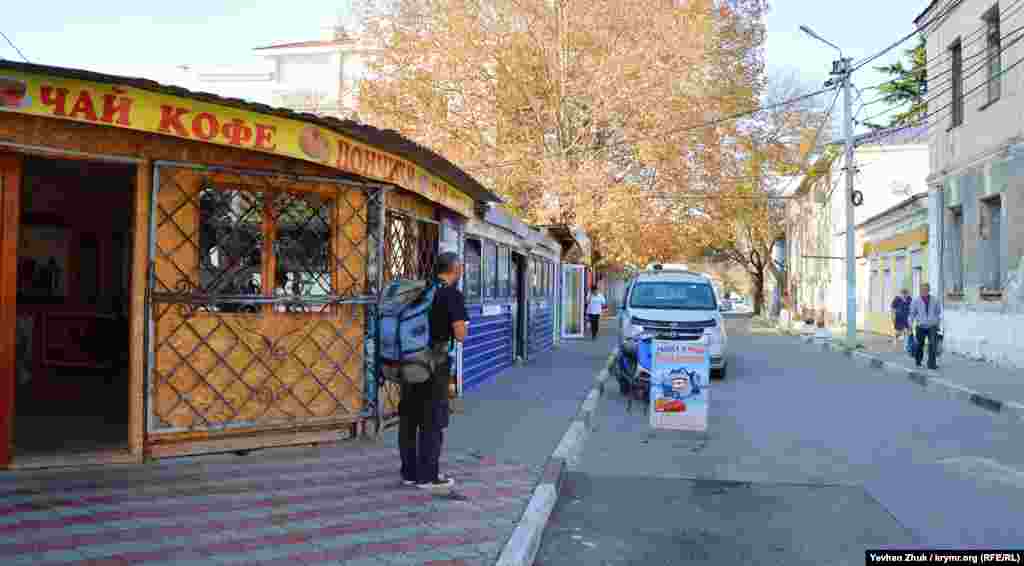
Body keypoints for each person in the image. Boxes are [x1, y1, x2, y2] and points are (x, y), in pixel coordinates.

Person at [399, 252, 468, 491]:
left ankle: (409, 472)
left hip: (408, 361)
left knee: (409, 417)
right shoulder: (451, 294)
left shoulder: (418, 290)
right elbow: (460, 334)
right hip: (434, 364)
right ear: (455, 269)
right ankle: (428, 476)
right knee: (432, 418)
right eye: (460, 268)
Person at [909, 282, 942, 370]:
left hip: (932, 326)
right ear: (920, 291)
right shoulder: (916, 301)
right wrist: (910, 325)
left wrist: (937, 323)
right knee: (920, 344)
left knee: (932, 344)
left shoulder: (935, 300)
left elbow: (938, 312)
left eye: (926, 289)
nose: (924, 291)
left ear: (929, 290)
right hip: (921, 326)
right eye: (923, 290)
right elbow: (912, 314)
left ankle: (931, 364)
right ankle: (918, 361)